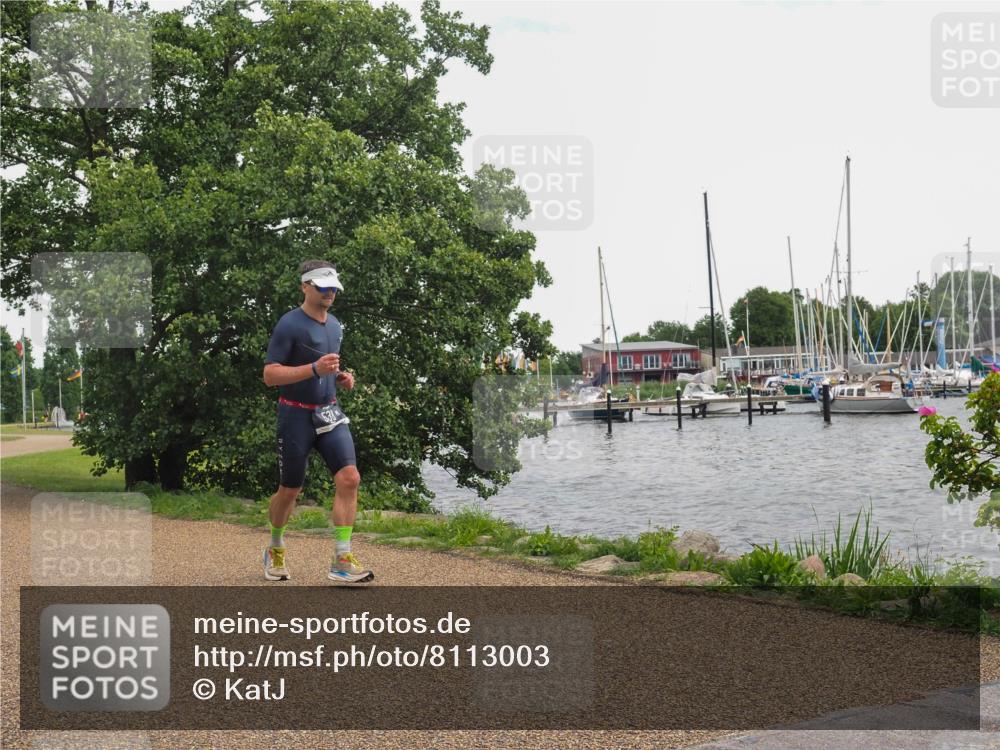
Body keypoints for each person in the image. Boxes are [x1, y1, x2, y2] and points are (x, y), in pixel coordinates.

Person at [261, 260, 373, 584]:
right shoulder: (289, 324)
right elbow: (270, 375)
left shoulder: (335, 325)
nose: (330, 293)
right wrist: (314, 369)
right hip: (295, 415)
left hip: (329, 412)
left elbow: (325, 368)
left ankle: (342, 559)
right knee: (290, 491)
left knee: (350, 478)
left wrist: (339, 377)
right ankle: (275, 547)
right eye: (323, 288)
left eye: (333, 288)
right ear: (305, 286)